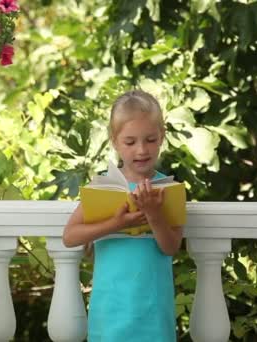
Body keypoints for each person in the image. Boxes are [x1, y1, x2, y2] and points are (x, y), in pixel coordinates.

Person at [62, 89, 183, 341]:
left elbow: (171, 247)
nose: (141, 150)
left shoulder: (168, 190)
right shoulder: (104, 188)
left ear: (162, 137)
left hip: (153, 308)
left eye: (150, 139)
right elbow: (70, 236)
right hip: (111, 307)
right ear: (115, 141)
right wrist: (116, 223)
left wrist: (154, 214)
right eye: (130, 142)